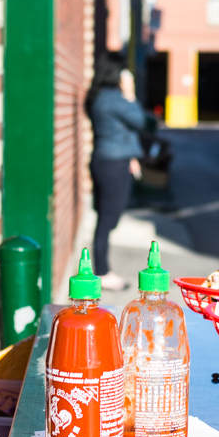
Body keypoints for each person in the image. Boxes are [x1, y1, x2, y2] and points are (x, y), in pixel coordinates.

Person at [87, 57, 145, 291]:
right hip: (113, 165)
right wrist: (130, 93)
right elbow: (140, 120)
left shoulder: (98, 97)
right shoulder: (114, 99)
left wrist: (131, 154)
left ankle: (102, 269)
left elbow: (117, 130)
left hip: (106, 160)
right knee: (108, 219)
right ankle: (101, 272)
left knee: (106, 217)